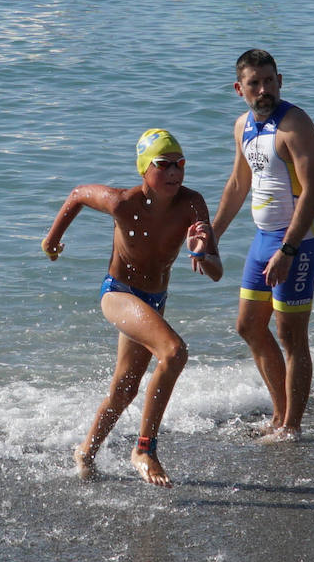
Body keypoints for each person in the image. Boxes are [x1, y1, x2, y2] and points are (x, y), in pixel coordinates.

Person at [42, 129, 223, 486]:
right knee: (174, 352)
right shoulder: (123, 203)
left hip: (154, 301)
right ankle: (144, 449)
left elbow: (216, 272)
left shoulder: (192, 204)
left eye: (180, 164)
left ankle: (85, 452)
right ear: (144, 169)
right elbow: (78, 194)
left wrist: (200, 251)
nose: (174, 172)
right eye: (163, 164)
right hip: (118, 293)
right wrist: (52, 240)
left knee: (125, 390)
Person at [213, 49, 314, 444]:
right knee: (248, 326)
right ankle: (279, 415)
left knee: (291, 336)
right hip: (263, 240)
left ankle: (291, 427)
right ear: (239, 88)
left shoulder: (294, 125)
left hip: (299, 241)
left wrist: (289, 250)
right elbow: (237, 185)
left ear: (281, 79)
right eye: (254, 83)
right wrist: (213, 234)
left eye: (270, 81)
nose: (264, 90)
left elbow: (313, 192)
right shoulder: (243, 125)